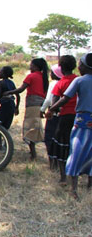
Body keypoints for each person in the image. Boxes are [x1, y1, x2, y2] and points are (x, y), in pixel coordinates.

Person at [46, 53, 92, 200]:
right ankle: (90, 186)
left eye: (81, 64)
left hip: (82, 121)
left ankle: (73, 188)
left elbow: (65, 98)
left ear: (85, 66)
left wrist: (52, 109)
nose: (79, 66)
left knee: (76, 151)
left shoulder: (79, 81)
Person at [4, 58, 49, 160]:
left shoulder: (31, 76)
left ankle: (33, 154)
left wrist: (9, 92)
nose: (30, 66)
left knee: (30, 129)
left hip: (32, 105)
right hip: (39, 105)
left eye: (32, 65)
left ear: (36, 66)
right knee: (35, 127)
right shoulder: (43, 77)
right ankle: (33, 152)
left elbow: (21, 89)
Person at [46, 55, 78, 185]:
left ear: (60, 68)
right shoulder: (78, 80)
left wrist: (51, 111)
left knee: (61, 146)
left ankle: (63, 177)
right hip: (78, 117)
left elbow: (55, 101)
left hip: (65, 118)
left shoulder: (60, 83)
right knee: (74, 147)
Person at [40, 65, 63, 170]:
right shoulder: (66, 82)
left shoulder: (54, 83)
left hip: (53, 113)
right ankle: (59, 163)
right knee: (60, 139)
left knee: (49, 138)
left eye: (52, 72)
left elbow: (49, 99)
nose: (50, 74)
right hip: (63, 115)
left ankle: (52, 164)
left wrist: (42, 110)